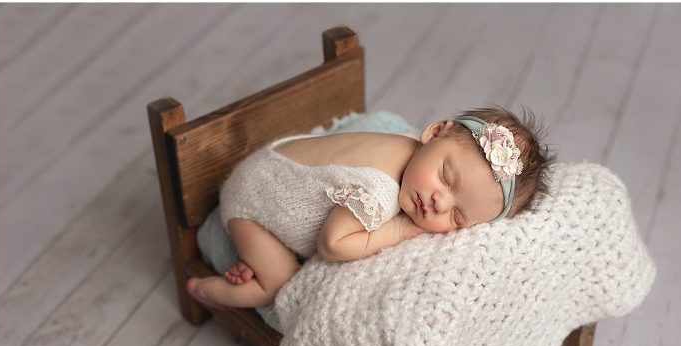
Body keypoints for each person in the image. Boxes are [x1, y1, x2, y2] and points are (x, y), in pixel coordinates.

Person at [185, 105, 556, 311]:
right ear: (435, 132)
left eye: (457, 217)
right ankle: (207, 289)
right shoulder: (378, 190)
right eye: (445, 175)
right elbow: (332, 244)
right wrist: (398, 230)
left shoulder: (408, 149)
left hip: (278, 160)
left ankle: (252, 259)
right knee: (277, 283)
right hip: (252, 201)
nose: (440, 202)